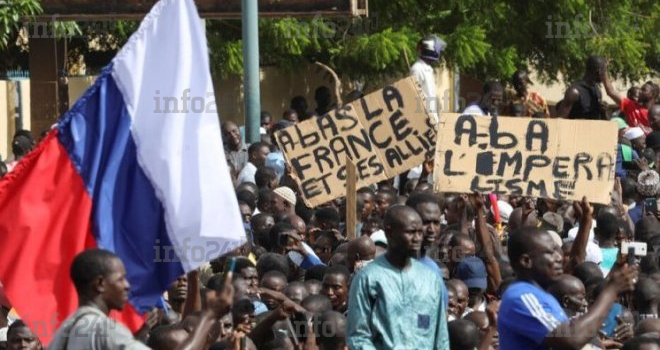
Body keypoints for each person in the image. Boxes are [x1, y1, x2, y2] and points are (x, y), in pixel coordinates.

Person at [48, 249, 234, 350]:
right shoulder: (104, 329)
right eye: (120, 279)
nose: (127, 285)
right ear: (99, 284)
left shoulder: (65, 329)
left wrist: (136, 338)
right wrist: (209, 316)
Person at [498, 227, 638, 350]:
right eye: (550, 252)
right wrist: (610, 291)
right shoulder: (522, 297)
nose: (559, 257)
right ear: (526, 261)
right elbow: (571, 338)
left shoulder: (541, 295)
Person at [347, 205, 449, 349]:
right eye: (411, 232)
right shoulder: (368, 278)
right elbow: (358, 337)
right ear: (390, 232)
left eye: (420, 232)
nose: (417, 238)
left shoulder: (431, 279)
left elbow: (441, 336)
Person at [603, 65, 659, 132]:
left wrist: (645, 130)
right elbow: (611, 92)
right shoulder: (631, 106)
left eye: (644, 90)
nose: (640, 91)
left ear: (652, 94)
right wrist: (604, 71)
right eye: (641, 89)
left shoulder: (657, 112)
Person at [410, 34, 446, 125]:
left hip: (432, 119)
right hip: (423, 121)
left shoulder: (428, 69)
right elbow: (414, 96)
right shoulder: (417, 69)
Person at [557, 55, 607, 120]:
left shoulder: (597, 91)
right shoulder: (574, 92)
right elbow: (558, 122)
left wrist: (603, 112)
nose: (605, 75)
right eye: (605, 71)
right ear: (599, 72)